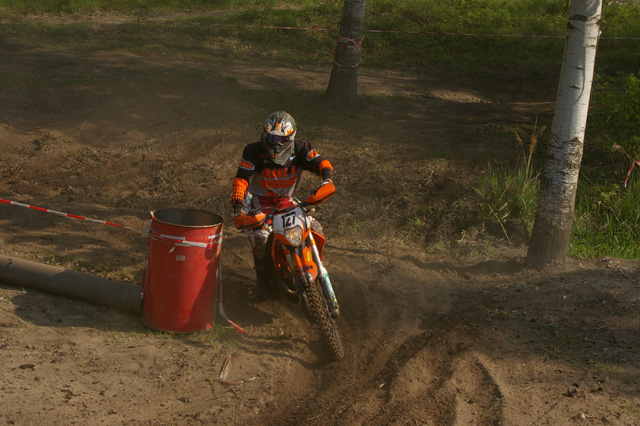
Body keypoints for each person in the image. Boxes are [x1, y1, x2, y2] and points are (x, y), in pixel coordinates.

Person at [231, 111, 334, 300]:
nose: (276, 144)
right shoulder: (253, 151)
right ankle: (263, 284)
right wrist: (238, 207)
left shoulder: (301, 148)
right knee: (261, 237)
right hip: (260, 201)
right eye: (272, 138)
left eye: (281, 139)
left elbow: (321, 162)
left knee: (314, 226)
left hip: (286, 199)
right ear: (265, 135)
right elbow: (242, 180)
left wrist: (327, 179)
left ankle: (315, 262)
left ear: (291, 137)